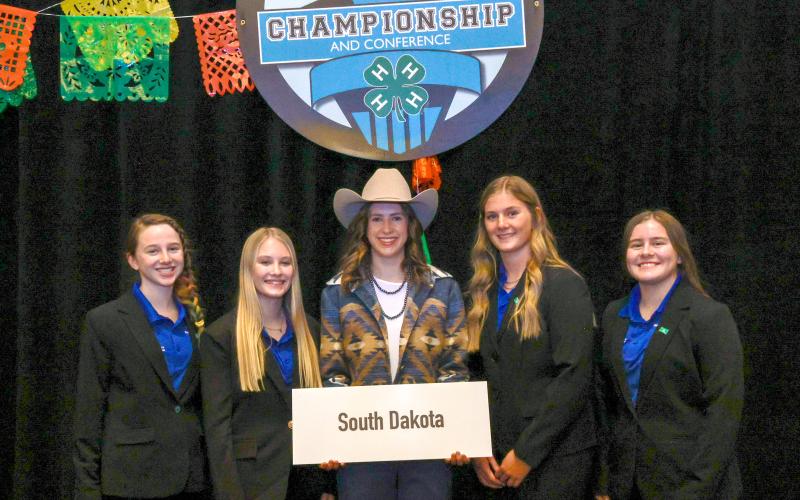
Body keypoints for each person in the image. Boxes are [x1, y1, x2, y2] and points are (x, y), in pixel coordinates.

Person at [319, 168, 470, 499]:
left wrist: (456, 433)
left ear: (410, 225)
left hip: (428, 449)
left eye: (396, 218)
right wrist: (332, 438)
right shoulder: (337, 292)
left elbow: (454, 369)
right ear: (364, 226)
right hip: (362, 451)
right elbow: (333, 375)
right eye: (377, 219)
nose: (386, 229)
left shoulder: (444, 288)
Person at [465, 175, 597, 498]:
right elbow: (476, 375)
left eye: (512, 213)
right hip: (499, 463)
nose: (502, 224)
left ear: (536, 216)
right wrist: (477, 446)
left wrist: (526, 454)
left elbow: (575, 377)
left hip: (556, 460)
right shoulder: (483, 293)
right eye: (492, 216)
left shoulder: (564, 284)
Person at [597, 210, 743, 499]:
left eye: (658, 243)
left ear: (679, 255)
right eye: (636, 245)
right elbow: (605, 404)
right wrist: (604, 481)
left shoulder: (709, 316)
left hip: (691, 485)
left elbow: (723, 412)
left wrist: (696, 489)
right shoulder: (614, 315)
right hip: (626, 484)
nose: (646, 252)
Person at [74, 213, 208, 499]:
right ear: (133, 260)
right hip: (131, 481)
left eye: (173, 248)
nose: (166, 258)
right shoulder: (105, 321)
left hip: (191, 480)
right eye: (152, 251)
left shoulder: (197, 320)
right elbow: (89, 413)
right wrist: (87, 490)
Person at [200, 227, 334, 500]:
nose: (276, 271)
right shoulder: (220, 337)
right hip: (250, 485)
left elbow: (325, 415)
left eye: (285, 263)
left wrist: (328, 486)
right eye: (265, 262)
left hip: (307, 484)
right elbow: (217, 431)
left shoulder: (311, 331)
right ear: (248, 269)